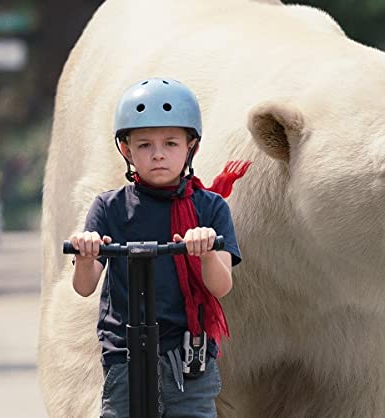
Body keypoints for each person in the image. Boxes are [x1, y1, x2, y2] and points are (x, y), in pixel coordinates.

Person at [68, 77, 250, 418]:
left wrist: (206, 252)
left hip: (188, 356)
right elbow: (84, 286)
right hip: (124, 354)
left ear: (191, 147)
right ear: (127, 151)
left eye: (170, 143)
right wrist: (86, 254)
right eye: (144, 145)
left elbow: (221, 286)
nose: (158, 154)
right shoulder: (109, 207)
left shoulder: (210, 207)